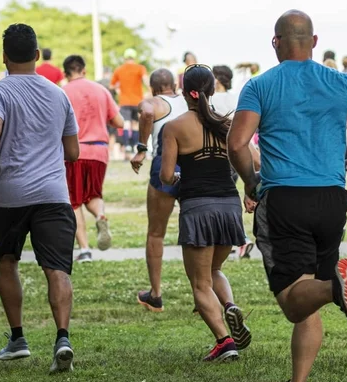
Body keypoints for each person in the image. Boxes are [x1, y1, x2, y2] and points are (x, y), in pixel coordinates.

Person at [228, 10, 347, 382]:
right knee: (309, 293)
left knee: (293, 302)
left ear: (275, 42)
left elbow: (237, 144)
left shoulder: (260, 85)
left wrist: (251, 180)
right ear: (314, 42)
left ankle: (335, 287)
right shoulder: (343, 82)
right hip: (332, 200)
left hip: (285, 198)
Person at [0, 23, 80, 373]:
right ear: (37, 54)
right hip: (53, 194)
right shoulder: (58, 94)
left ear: (4, 57)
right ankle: (62, 337)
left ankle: (18, 339)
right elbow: (74, 152)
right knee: (57, 269)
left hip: (11, 195)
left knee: (7, 260)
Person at [161, 64, 251, 361]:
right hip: (228, 205)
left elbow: (165, 175)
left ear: (184, 92)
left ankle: (224, 341)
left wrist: (177, 178)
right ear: (212, 90)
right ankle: (229, 306)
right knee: (214, 270)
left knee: (199, 283)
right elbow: (253, 160)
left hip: (198, 207)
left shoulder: (174, 127)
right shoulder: (227, 124)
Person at [130, 69, 187, 312]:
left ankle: (155, 294)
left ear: (153, 89)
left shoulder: (155, 102)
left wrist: (142, 147)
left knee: (156, 232)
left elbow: (147, 112)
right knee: (195, 232)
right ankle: (203, 291)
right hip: (193, 166)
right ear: (173, 85)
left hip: (165, 165)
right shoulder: (188, 99)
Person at [63, 55, 124, 262]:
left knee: (74, 201)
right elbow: (119, 122)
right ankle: (100, 216)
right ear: (84, 70)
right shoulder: (101, 90)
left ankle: (85, 250)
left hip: (74, 151)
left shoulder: (63, 92)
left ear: (66, 73)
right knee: (93, 194)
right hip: (99, 151)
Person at [211, 64, 259, 259]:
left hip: (218, 155)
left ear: (217, 80)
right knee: (227, 198)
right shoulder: (235, 99)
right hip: (235, 157)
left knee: (219, 201)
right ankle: (231, 240)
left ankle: (241, 239)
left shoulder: (213, 100)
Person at [110, 48, 148, 155]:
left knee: (126, 125)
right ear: (134, 57)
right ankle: (134, 146)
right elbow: (146, 80)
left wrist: (118, 87)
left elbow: (112, 85)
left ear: (125, 58)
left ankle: (126, 146)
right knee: (136, 125)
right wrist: (150, 90)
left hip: (124, 101)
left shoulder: (119, 69)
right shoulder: (140, 68)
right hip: (138, 101)